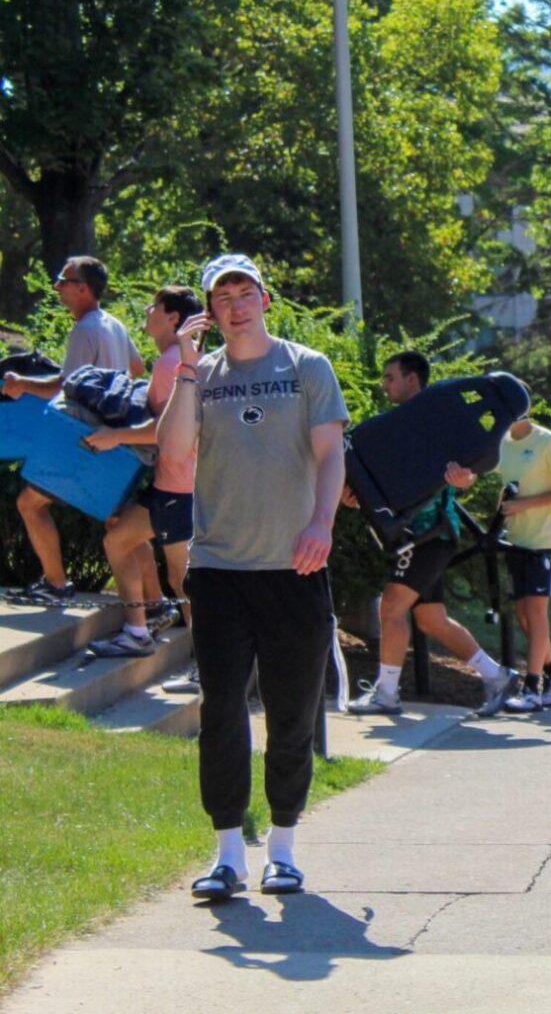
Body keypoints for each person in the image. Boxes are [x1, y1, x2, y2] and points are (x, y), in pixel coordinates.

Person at [157, 254, 349, 901]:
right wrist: (184, 368)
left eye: (245, 293)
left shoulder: (305, 366)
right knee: (222, 715)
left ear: (265, 298)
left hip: (294, 570)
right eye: (223, 296)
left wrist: (322, 523)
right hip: (218, 569)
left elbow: (330, 452)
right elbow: (175, 455)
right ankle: (229, 855)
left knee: (292, 714)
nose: (236, 306)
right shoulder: (201, 375)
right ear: (210, 309)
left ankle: (286, 849)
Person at [343, 352, 519, 719]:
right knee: (430, 620)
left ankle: (387, 694)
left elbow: (470, 470)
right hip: (420, 536)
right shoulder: (397, 428)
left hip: (427, 536)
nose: (384, 384)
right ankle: (498, 676)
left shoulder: (442, 421)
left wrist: (464, 479)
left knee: (390, 608)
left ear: (412, 379)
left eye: (391, 377)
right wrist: (357, 498)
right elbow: (384, 486)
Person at [3, 256, 142, 604]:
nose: (57, 287)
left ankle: (56, 584)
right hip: (113, 440)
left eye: (62, 280)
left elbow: (66, 386)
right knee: (121, 526)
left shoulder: (85, 329)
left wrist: (22, 384)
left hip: (80, 439)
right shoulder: (114, 325)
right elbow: (137, 368)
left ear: (83, 288)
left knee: (30, 505)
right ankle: (151, 606)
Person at [82, 286, 201, 661]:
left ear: (173, 319)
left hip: (181, 487)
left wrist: (115, 436)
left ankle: (207, 665)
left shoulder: (172, 363)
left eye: (155, 306)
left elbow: (167, 429)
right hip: (174, 484)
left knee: (184, 579)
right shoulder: (176, 359)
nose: (147, 310)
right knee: (120, 539)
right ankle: (137, 631)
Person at [495, 409, 551, 713]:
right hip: (519, 538)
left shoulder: (547, 441)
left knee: (536, 610)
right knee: (522, 614)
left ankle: (533, 687)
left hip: (546, 540)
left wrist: (525, 504)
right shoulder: (502, 443)